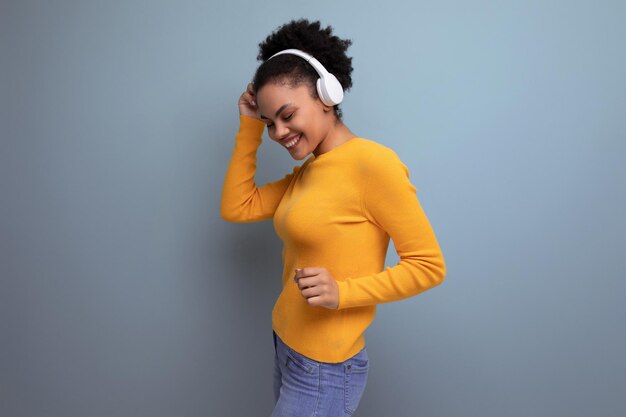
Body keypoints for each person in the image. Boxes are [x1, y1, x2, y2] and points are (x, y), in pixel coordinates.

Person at [220, 19, 446, 417]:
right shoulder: (309, 170)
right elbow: (239, 205)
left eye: (287, 115)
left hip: (324, 369)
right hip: (287, 346)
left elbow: (429, 266)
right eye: (271, 122)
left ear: (327, 95)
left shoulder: (373, 165)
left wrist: (343, 293)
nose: (278, 132)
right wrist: (248, 127)